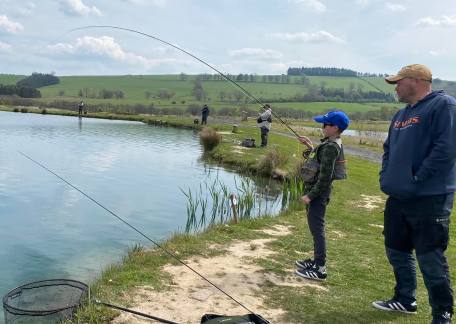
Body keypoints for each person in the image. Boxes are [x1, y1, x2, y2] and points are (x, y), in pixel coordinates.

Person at [372, 64, 456, 324]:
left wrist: (417, 177)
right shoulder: (400, 115)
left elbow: (446, 148)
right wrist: (386, 177)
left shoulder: (443, 105)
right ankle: (405, 299)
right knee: (396, 249)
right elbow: (388, 150)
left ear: (417, 81)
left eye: (398, 82)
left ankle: (442, 312)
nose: (395, 87)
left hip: (430, 198)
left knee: (430, 257)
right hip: (398, 197)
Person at [294, 110, 349, 281]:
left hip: (318, 194)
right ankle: (316, 261)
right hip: (316, 192)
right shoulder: (330, 144)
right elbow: (320, 159)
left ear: (335, 127)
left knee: (317, 230)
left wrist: (310, 196)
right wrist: (310, 146)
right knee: (315, 228)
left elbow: (326, 176)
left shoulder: (331, 147)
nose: (323, 127)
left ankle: (320, 269)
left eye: (326, 124)